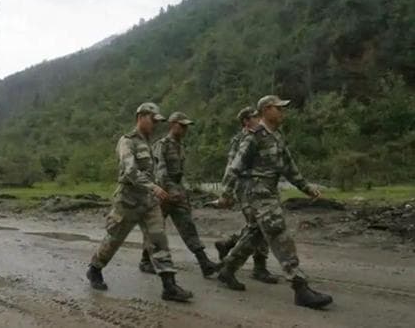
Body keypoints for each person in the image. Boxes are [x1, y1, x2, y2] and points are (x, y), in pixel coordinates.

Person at [217, 95, 333, 309]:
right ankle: (300, 287)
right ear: (266, 110)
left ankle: (227, 269)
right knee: (280, 234)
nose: (282, 112)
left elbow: (289, 167)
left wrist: (306, 188)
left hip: (269, 192)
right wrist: (226, 194)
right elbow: (235, 167)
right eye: (279, 108)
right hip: (256, 193)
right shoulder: (254, 137)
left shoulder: (277, 136)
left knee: (255, 234)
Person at [86, 102, 193, 302]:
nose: (155, 124)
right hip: (128, 200)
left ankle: (169, 286)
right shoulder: (127, 141)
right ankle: (95, 268)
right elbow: (130, 170)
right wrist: (153, 186)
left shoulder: (149, 142)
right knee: (114, 239)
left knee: (158, 238)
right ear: (141, 117)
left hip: (149, 202)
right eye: (153, 120)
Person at [138, 112, 219, 277]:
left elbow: (179, 173)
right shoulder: (163, 145)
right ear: (172, 124)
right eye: (182, 126)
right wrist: (170, 190)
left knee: (187, 225)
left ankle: (204, 262)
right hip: (162, 193)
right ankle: (146, 260)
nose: (185, 129)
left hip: (176, 192)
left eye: (186, 126)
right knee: (156, 229)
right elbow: (160, 171)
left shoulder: (180, 146)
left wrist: (181, 190)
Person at [214, 107, 278, 284]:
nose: (259, 119)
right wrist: (226, 192)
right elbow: (232, 166)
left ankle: (228, 244)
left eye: (259, 115)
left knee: (256, 226)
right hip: (246, 188)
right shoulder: (241, 140)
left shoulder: (261, 135)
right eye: (254, 117)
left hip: (260, 188)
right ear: (245, 121)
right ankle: (257, 268)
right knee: (259, 226)